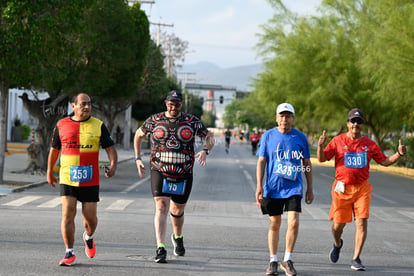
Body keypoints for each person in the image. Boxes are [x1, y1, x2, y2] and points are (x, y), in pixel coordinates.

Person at [317, 108, 407, 271]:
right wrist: (320, 146)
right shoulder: (337, 141)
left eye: (359, 122)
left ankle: (356, 258)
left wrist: (398, 155)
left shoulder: (369, 144)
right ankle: (337, 243)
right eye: (353, 121)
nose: (356, 124)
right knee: (338, 226)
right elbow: (322, 159)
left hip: (362, 188)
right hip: (341, 188)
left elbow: (384, 161)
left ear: (362, 125)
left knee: (362, 221)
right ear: (348, 124)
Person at [133, 90, 215, 263]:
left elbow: (209, 136)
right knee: (161, 206)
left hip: (183, 171)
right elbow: (138, 135)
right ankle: (160, 247)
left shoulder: (191, 121)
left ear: (181, 104)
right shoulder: (154, 120)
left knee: (177, 211)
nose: (174, 107)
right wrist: (138, 158)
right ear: (166, 103)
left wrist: (206, 150)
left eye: (177, 104)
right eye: (171, 103)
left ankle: (177, 237)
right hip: (159, 169)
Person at [46, 93, 118, 266]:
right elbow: (54, 149)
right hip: (67, 177)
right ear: (74, 106)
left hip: (90, 179)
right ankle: (69, 252)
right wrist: (49, 171)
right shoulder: (62, 124)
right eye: (83, 104)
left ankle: (89, 236)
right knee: (68, 213)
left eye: (89, 104)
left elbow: (109, 148)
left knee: (90, 219)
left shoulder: (98, 125)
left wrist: (113, 164)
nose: (86, 107)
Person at [256, 103, 314, 276]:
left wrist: (310, 188)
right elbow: (262, 161)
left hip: (294, 187)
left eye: (288, 116)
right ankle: (273, 260)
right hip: (273, 187)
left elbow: (307, 164)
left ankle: (287, 259)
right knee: (275, 223)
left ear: (293, 119)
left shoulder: (300, 137)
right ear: (276, 118)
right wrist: (259, 185)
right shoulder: (268, 136)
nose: (284, 119)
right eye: (281, 116)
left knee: (294, 221)